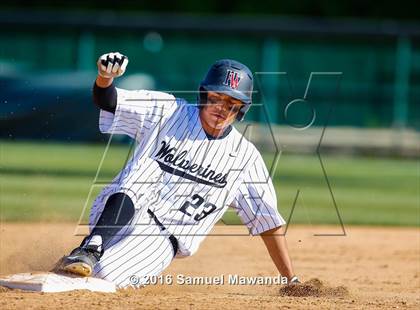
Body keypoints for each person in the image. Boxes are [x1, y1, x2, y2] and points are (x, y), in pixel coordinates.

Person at [58, 52, 300, 288]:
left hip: (162, 240)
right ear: (203, 95)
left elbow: (268, 222)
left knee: (104, 276)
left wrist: (291, 279)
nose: (222, 108)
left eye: (232, 103)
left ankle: (84, 261)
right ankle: (91, 247)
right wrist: (105, 78)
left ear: (242, 109)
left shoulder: (246, 159)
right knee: (149, 166)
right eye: (216, 98)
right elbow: (108, 101)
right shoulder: (169, 111)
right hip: (118, 209)